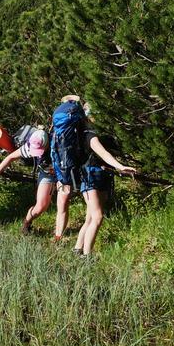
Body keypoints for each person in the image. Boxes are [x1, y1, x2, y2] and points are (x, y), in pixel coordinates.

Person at [52, 96, 136, 256]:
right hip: (90, 177)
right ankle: (87, 256)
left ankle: (77, 249)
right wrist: (120, 166)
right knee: (98, 217)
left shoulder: (87, 132)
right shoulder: (89, 135)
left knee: (90, 218)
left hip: (97, 176)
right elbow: (102, 153)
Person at [0, 127, 56, 234]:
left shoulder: (58, 143)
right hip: (47, 173)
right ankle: (26, 224)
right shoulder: (30, 146)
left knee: (63, 203)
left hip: (65, 172)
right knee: (41, 206)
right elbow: (10, 157)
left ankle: (59, 235)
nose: (37, 154)